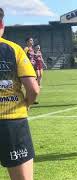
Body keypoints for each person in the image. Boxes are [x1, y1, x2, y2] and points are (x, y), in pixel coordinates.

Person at [0, 8, 40, 180]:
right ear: (2, 24)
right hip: (11, 121)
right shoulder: (13, 49)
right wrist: (27, 104)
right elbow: (33, 89)